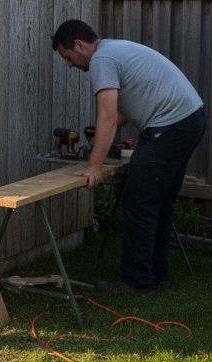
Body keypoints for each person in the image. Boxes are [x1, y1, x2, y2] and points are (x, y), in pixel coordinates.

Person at [52, 19, 206, 295]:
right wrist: (102, 138)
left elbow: (109, 116)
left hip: (171, 126)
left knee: (140, 203)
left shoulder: (102, 60)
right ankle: (156, 274)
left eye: (68, 57)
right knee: (159, 203)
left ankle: (136, 281)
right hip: (189, 119)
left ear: (79, 45)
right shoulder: (114, 50)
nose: (70, 64)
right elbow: (122, 114)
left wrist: (93, 166)